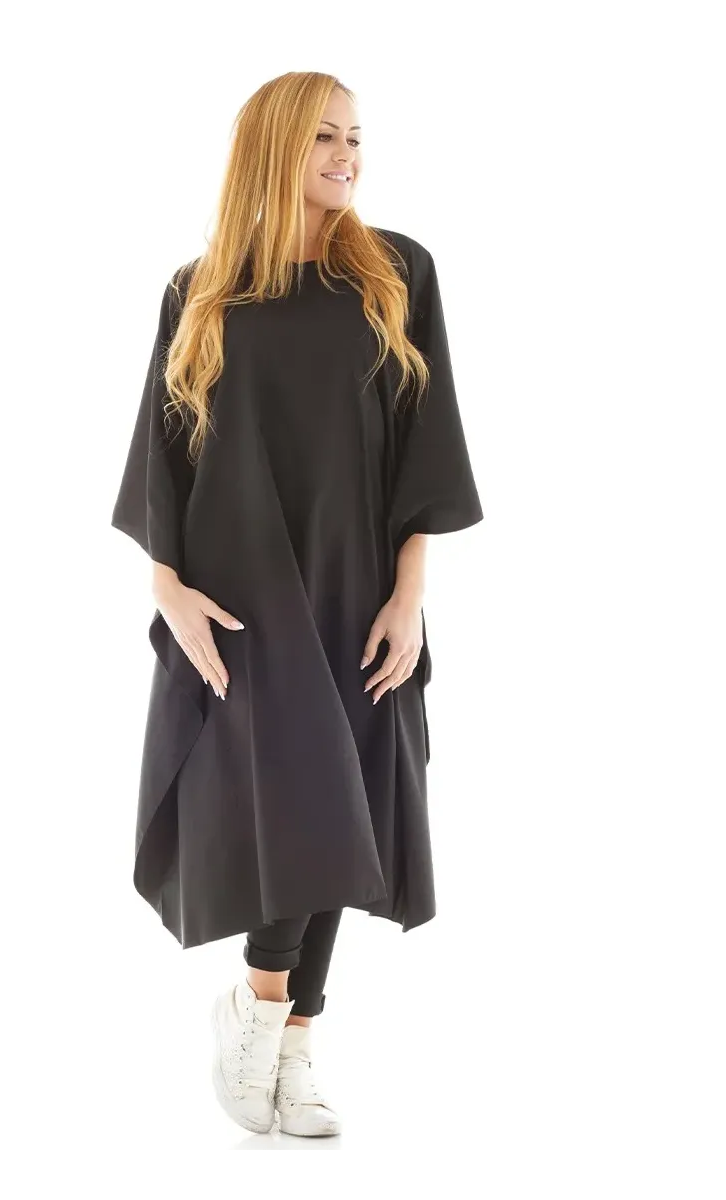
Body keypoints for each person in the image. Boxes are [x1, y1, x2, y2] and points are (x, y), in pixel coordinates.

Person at [110, 71, 483, 1138]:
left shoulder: (397, 273)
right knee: (304, 800)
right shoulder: (201, 292)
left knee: (348, 801)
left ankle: (279, 1026)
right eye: (325, 136)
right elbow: (162, 458)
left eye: (355, 136)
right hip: (243, 594)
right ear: (273, 147)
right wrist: (170, 592)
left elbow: (425, 444)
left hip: (359, 583)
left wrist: (410, 593)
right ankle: (279, 1019)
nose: (347, 155)